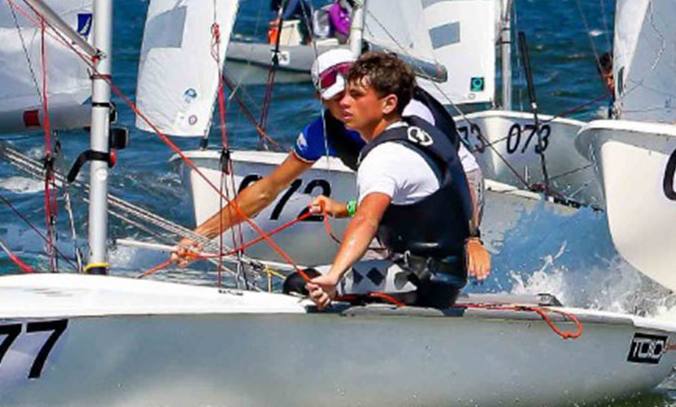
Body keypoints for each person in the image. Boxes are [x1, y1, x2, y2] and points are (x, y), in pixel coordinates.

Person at [172, 48, 490, 279]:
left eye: (351, 94)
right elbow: (266, 191)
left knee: (438, 267)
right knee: (375, 268)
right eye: (336, 99)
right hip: (399, 200)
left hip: (455, 185)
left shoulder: (408, 114)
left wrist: (471, 239)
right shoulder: (321, 133)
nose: (346, 103)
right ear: (321, 101)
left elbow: (454, 174)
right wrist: (199, 237)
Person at [305, 52, 473, 309]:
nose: (344, 103)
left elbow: (367, 219)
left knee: (301, 282)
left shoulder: (385, 155)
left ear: (388, 104)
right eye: (344, 95)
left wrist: (333, 277)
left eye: (356, 95)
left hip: (421, 282)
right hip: (444, 276)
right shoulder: (418, 132)